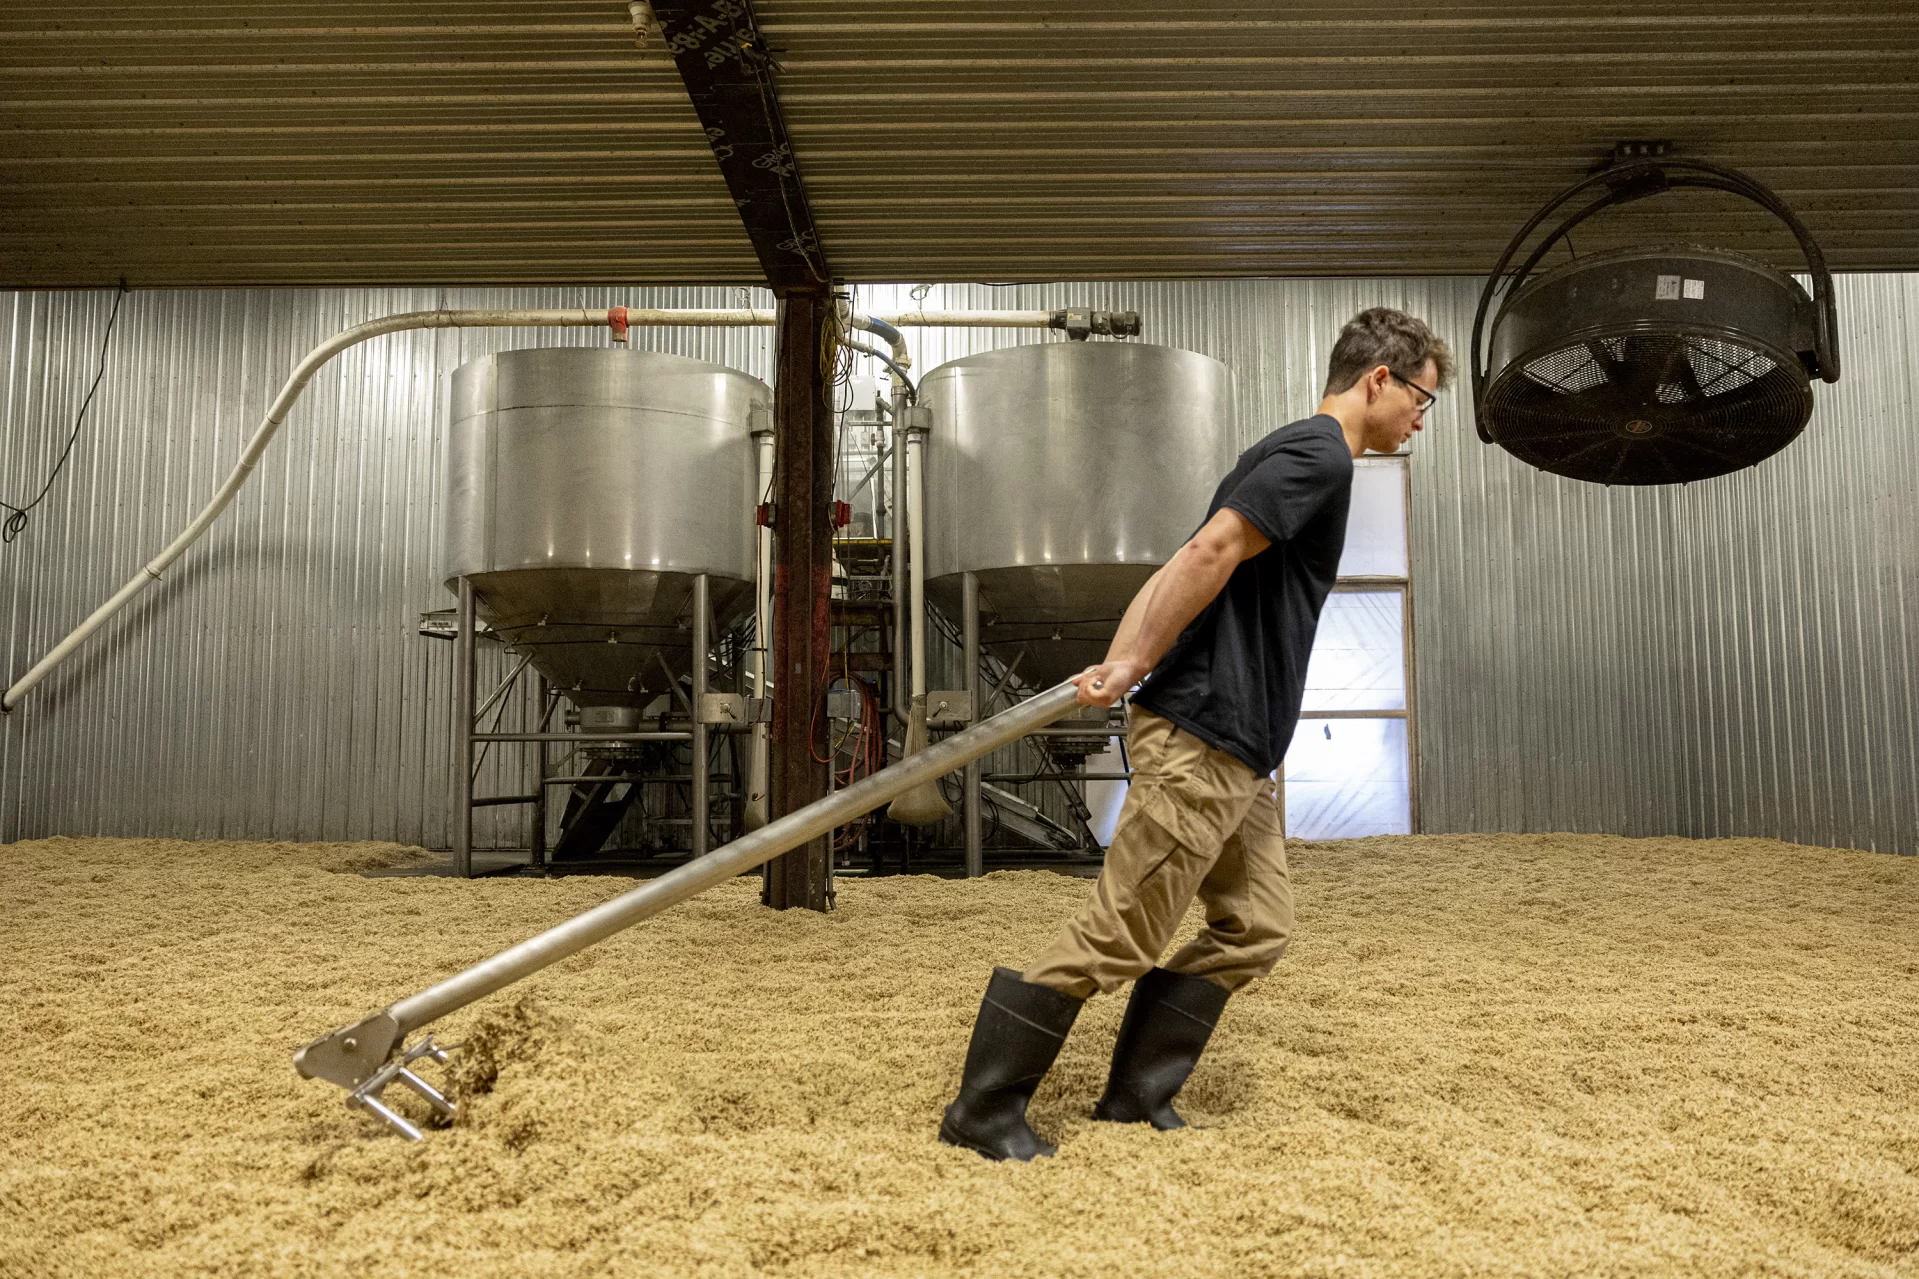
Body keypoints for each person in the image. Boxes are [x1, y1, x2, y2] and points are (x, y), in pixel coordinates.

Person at [938, 307, 1452, 1161]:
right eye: (1420, 400)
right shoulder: (1318, 452)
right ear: (1377, 380)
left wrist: (1118, 661)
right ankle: (982, 1109)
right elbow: (1208, 552)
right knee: (1122, 932)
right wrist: (1133, 663)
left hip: (1242, 746)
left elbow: (1182, 558)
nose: (1419, 420)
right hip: (1205, 733)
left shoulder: (1294, 454)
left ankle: (1134, 1098)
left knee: (1255, 925)